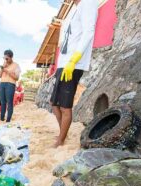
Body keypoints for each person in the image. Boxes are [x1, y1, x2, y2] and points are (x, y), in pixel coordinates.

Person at [50, 0, 98, 148]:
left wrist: (74, 59)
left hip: (73, 63)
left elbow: (89, 31)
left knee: (65, 106)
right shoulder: (73, 10)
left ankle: (61, 140)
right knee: (54, 104)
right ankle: (62, 133)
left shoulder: (88, 3)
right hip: (63, 64)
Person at [0, 49, 21, 122]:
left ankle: (8, 120)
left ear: (11, 57)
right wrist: (2, 68)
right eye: (4, 58)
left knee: (9, 102)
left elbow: (16, 78)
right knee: (2, 102)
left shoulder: (16, 65)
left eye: (7, 58)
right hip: (2, 84)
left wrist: (7, 71)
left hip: (10, 84)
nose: (5, 60)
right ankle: (1, 119)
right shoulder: (4, 64)